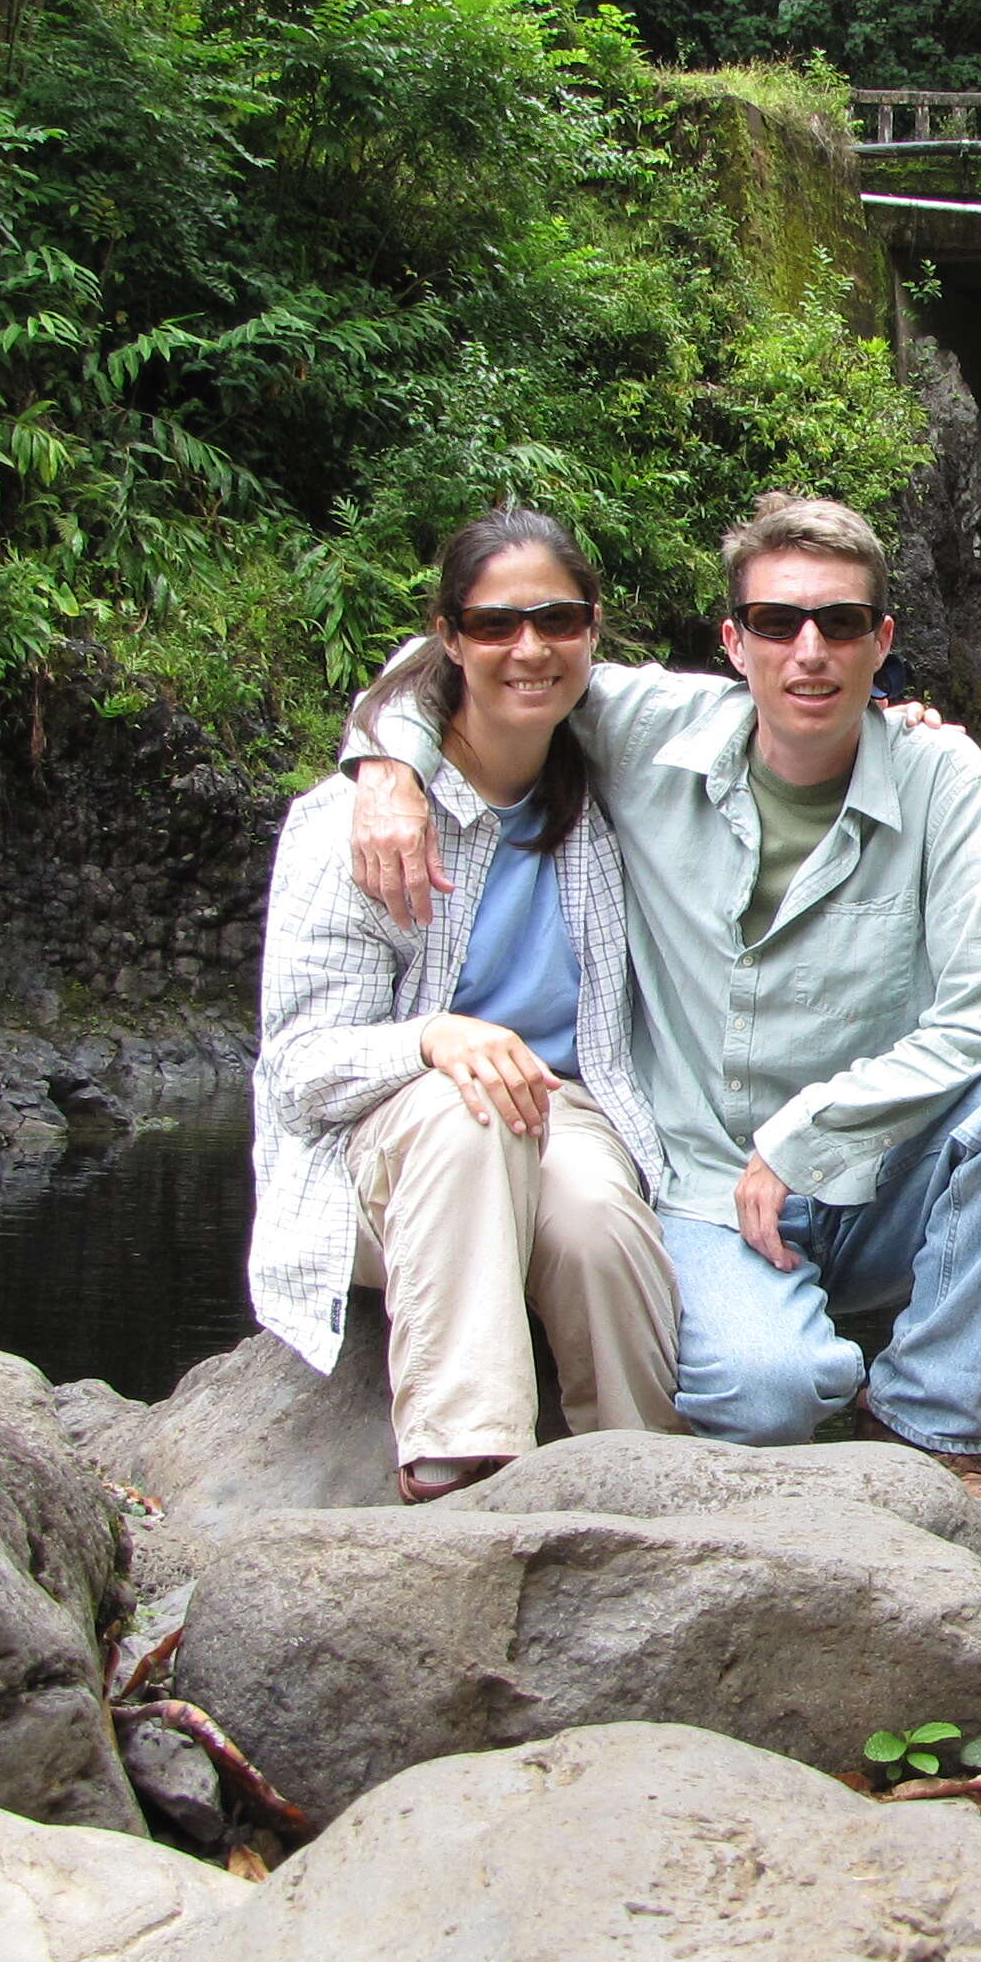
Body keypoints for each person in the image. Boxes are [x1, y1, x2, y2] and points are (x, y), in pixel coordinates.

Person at [343, 491, 981, 1505]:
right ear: (734, 644)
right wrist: (387, 768)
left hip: (879, 1172)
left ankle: (928, 1426)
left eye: (839, 624)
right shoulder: (648, 730)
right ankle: (786, 1358)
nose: (809, 652)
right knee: (763, 1399)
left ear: (883, 643)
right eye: (779, 623)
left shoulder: (940, 773)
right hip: (700, 1181)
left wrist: (809, 1134)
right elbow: (462, 661)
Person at [252, 509, 684, 1502]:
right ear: (449, 638)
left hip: (558, 1106)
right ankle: (466, 1465)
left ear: (593, 628)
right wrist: (433, 1038)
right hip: (385, 1141)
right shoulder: (354, 827)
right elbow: (301, 1072)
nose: (528, 649)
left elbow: (780, 702)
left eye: (557, 619)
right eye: (494, 627)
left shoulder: (609, 786)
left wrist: (898, 720)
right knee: (463, 1109)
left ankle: (647, 1481)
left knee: (591, 1218)